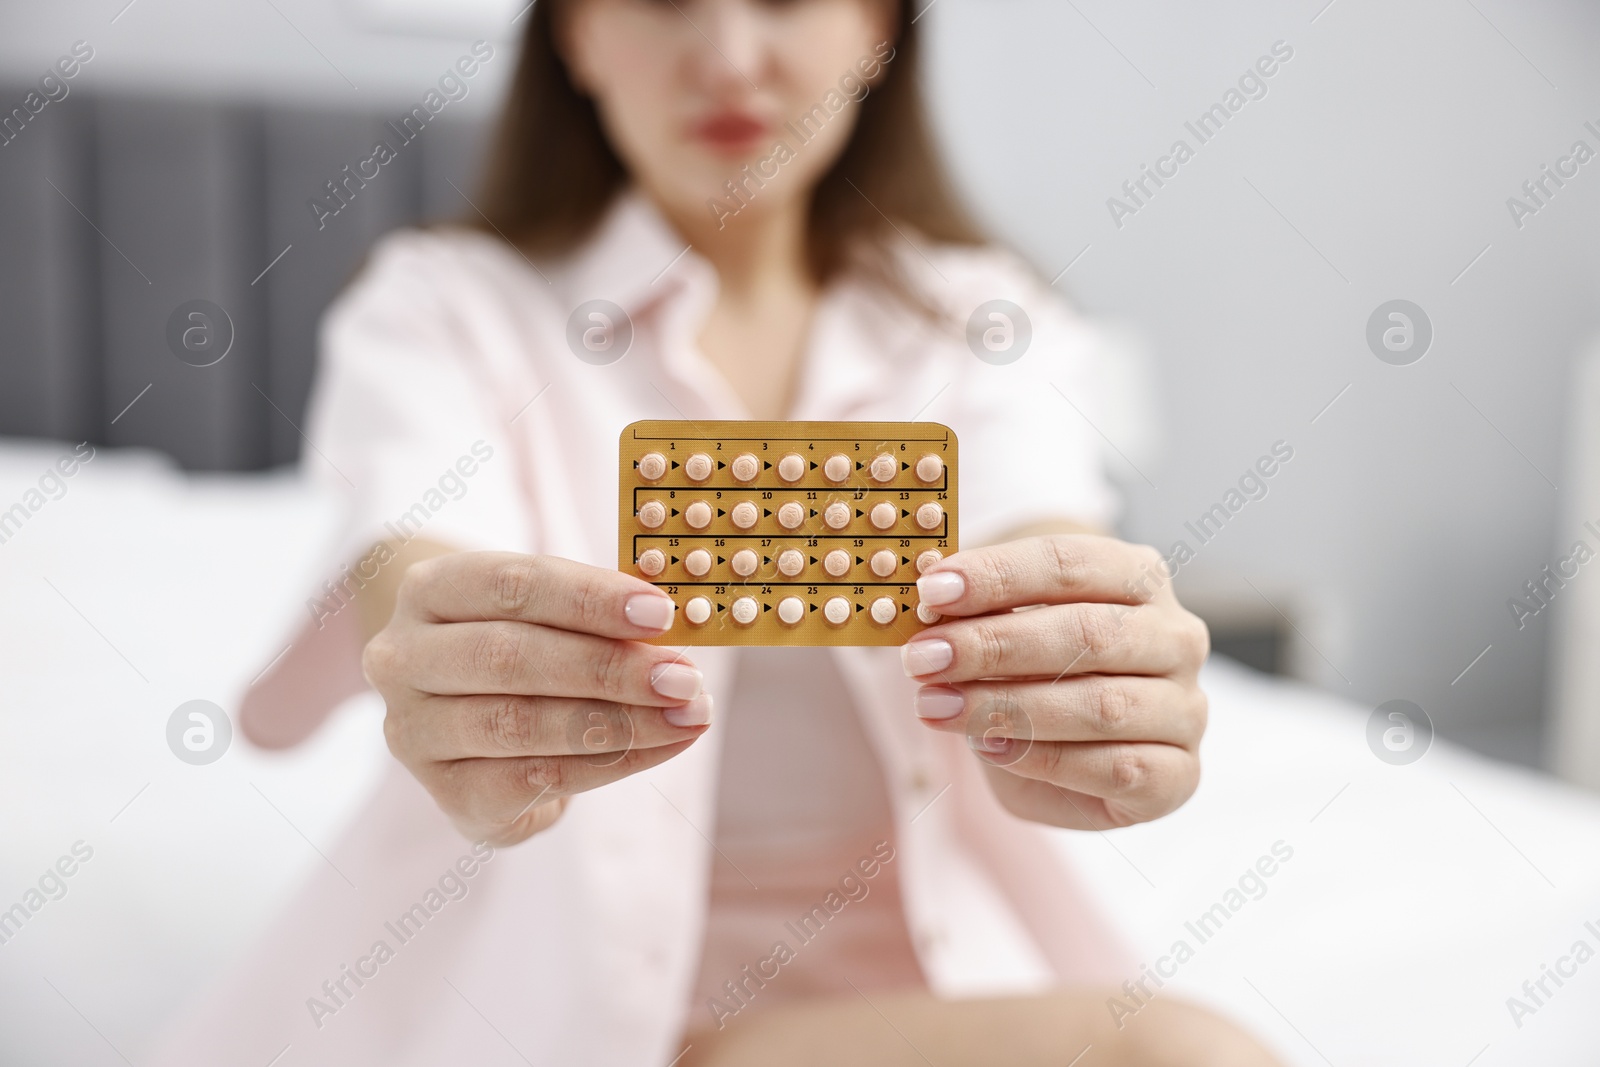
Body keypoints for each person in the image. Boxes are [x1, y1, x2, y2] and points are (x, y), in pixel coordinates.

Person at [157, 1, 1280, 1063]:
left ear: (876, 28)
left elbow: (1033, 522)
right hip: (561, 1007)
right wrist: (453, 672)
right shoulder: (442, 308)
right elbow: (411, 561)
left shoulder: (985, 319)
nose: (730, 57)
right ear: (580, 34)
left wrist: (1090, 661)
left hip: (900, 1010)